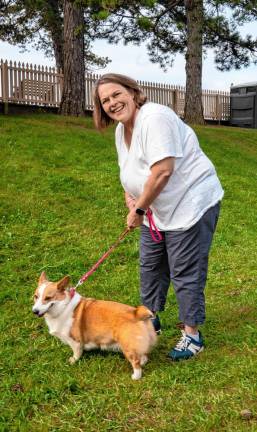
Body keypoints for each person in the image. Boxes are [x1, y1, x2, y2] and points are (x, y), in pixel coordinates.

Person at [93, 73, 224, 361]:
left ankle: (192, 335)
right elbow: (128, 174)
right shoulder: (120, 131)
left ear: (132, 91)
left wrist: (139, 209)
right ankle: (150, 318)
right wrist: (132, 202)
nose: (112, 103)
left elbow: (163, 170)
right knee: (150, 265)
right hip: (156, 207)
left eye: (117, 94)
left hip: (191, 203)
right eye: (105, 100)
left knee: (184, 270)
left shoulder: (155, 118)